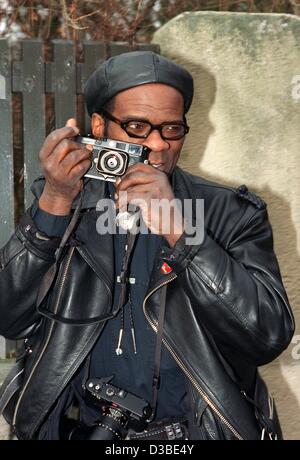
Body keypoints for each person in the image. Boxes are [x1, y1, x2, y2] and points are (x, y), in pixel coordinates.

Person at [0, 51, 294, 441]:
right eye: (137, 126)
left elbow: (266, 336)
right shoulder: (62, 198)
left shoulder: (230, 212)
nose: (157, 145)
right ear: (99, 126)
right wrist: (54, 202)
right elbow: (9, 318)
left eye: (172, 129)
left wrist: (181, 233)